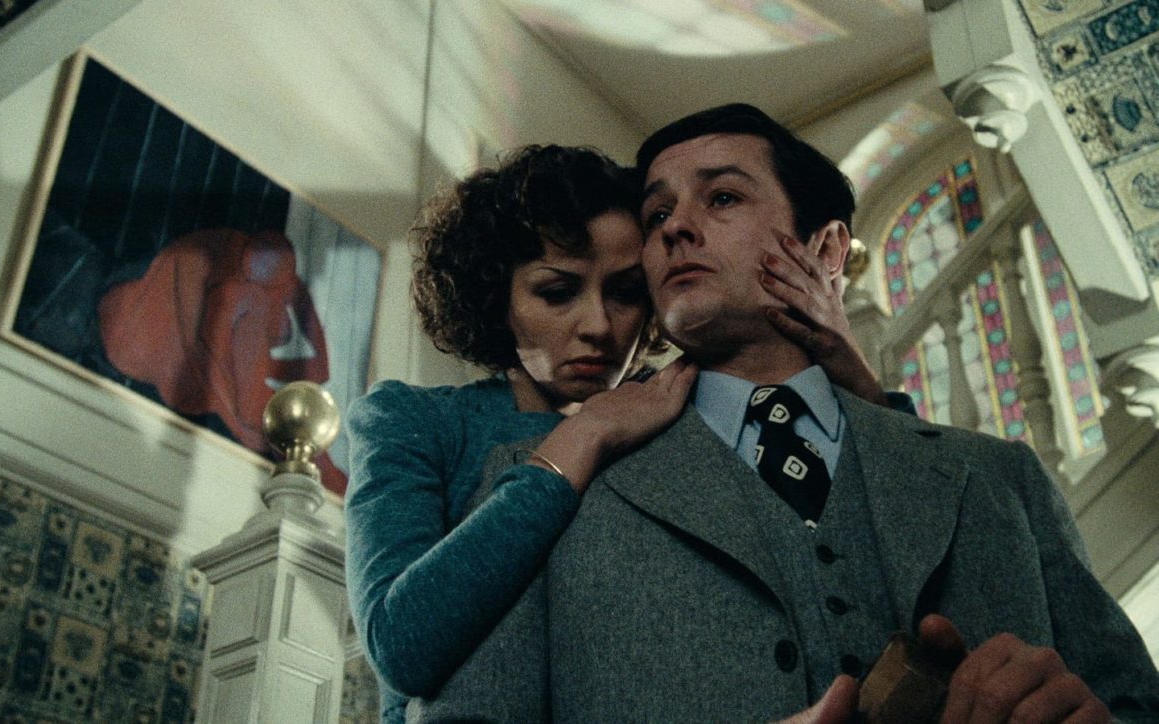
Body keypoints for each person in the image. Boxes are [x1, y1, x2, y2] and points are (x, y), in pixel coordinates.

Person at [414, 106, 1159, 722]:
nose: (674, 228)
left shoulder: (1000, 478)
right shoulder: (537, 486)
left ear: (827, 249)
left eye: (722, 198)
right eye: (657, 212)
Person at [344, 143, 907, 723]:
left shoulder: (678, 409)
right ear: (496, 296)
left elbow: (897, 520)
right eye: (557, 293)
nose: (598, 326)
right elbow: (400, 647)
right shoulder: (415, 422)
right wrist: (584, 436)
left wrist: (851, 368)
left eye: (625, 292)